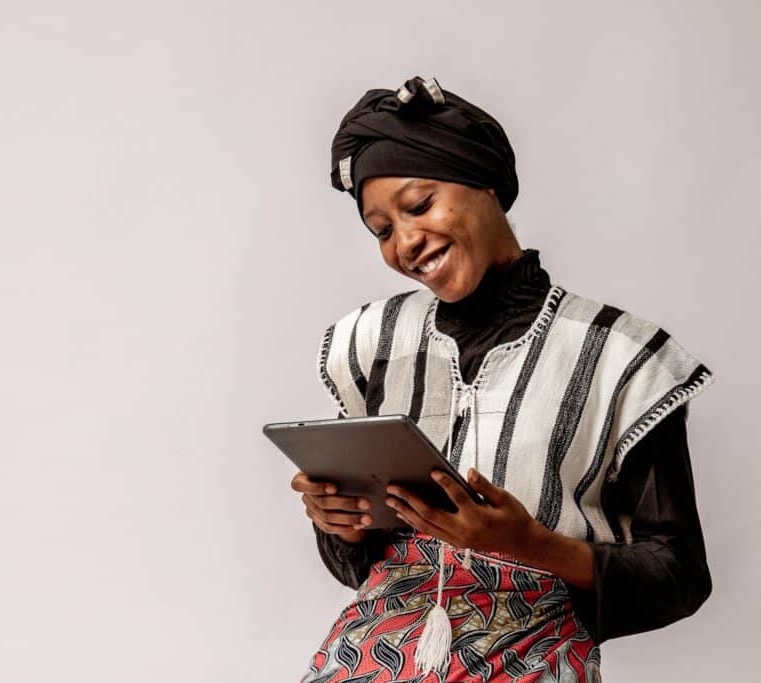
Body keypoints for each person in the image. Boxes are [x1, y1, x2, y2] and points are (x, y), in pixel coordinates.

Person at [289, 76, 715, 683]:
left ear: (484, 182)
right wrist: (341, 523)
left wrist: (528, 544)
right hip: (370, 658)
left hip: (531, 655)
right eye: (381, 230)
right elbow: (359, 565)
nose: (405, 242)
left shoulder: (622, 356)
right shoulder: (371, 343)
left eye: (419, 205)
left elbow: (678, 576)